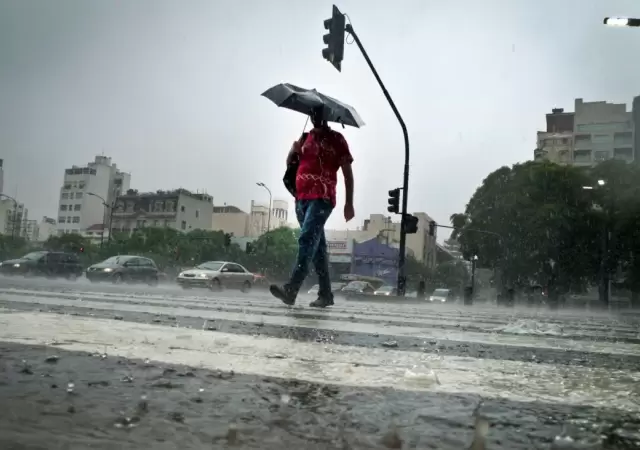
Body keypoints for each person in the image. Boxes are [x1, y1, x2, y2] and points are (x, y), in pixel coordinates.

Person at [270, 107, 355, 308]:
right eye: (313, 113)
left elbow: (347, 173)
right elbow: (291, 164)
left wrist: (349, 202)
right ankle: (326, 294)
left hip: (322, 197)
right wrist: (292, 151)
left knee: (307, 238)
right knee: (317, 249)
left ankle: (292, 288)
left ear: (327, 117)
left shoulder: (337, 139)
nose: (315, 117)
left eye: (320, 114)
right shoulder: (305, 137)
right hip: (301, 199)